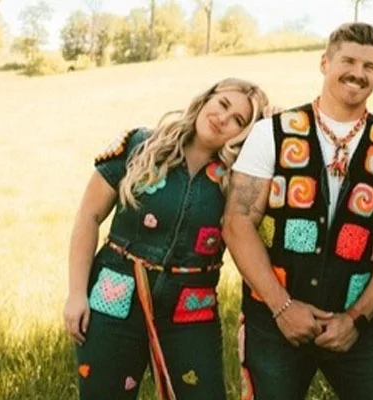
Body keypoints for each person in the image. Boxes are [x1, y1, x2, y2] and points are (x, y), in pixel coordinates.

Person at [222, 22, 373, 400]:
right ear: (324, 63)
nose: (358, 73)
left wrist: (355, 319)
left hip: (356, 323)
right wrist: (282, 307)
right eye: (348, 61)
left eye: (370, 66)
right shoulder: (272, 133)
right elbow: (237, 222)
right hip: (273, 320)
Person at [63, 78, 269, 400]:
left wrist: (269, 133)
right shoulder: (140, 145)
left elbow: (251, 232)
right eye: (223, 104)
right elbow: (88, 217)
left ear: (245, 133)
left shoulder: (240, 179)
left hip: (190, 309)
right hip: (114, 296)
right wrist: (77, 294)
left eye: (238, 120)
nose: (222, 118)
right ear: (206, 98)